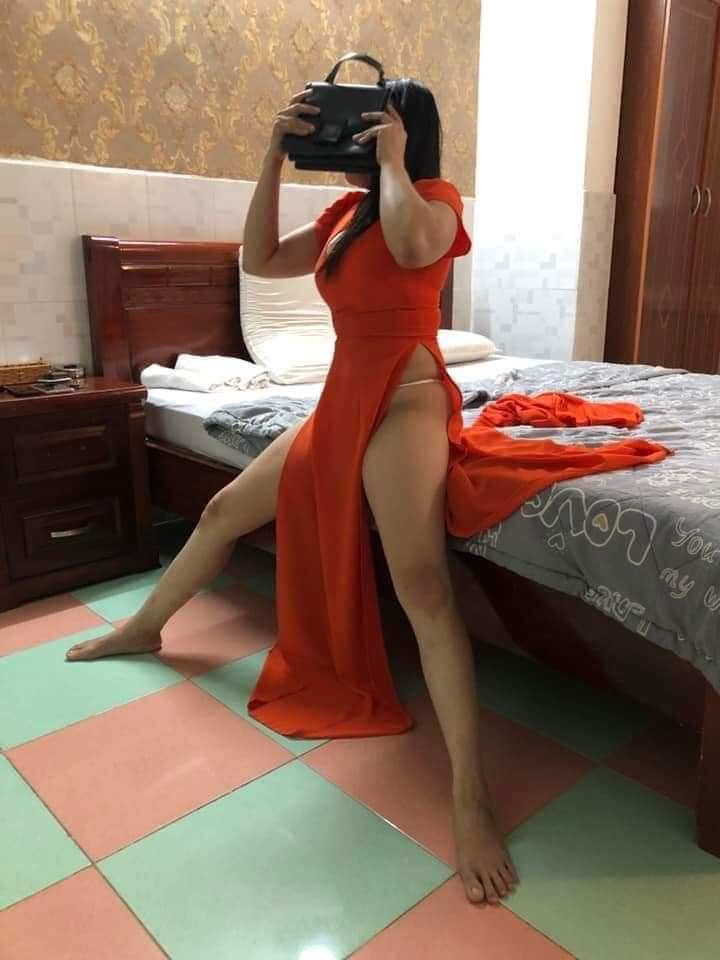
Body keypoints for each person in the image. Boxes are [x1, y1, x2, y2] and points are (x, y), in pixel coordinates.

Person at [65, 77, 668, 902]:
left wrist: (393, 163)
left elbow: (415, 249)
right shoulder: (341, 218)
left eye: (368, 129)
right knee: (222, 509)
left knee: (422, 586)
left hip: (409, 399)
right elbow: (258, 261)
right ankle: (145, 628)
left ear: (402, 133)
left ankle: (470, 797)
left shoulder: (435, 200)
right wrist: (272, 158)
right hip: (343, 396)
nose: (348, 142)